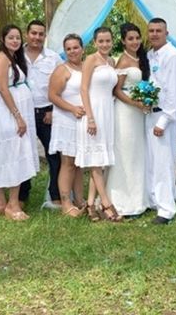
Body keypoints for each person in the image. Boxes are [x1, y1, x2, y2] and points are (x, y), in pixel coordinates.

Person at [0, 25, 39, 221]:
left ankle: (0, 202)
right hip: (7, 113)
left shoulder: (14, 58)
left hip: (15, 110)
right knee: (13, 153)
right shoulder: (1, 58)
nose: (15, 41)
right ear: (3, 39)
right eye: (11, 37)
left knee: (7, 153)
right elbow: (4, 90)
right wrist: (18, 115)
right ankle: (11, 204)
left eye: (17, 38)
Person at [76, 27, 121, 222]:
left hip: (107, 112)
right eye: (101, 41)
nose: (104, 44)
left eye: (108, 41)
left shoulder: (111, 61)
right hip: (93, 111)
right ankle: (106, 204)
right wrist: (91, 118)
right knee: (95, 161)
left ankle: (90, 203)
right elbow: (84, 89)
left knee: (100, 160)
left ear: (112, 41)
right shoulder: (90, 60)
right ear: (95, 43)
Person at [105, 23, 150, 217]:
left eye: (137, 38)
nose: (135, 42)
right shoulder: (123, 61)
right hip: (125, 111)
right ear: (123, 40)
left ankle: (138, 197)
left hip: (139, 113)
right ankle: (120, 199)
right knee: (125, 152)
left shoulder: (142, 59)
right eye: (130, 38)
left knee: (137, 152)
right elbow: (117, 90)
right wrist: (135, 103)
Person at [146, 18, 176, 225]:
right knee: (152, 161)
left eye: (158, 31)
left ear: (166, 33)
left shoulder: (173, 57)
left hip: (165, 117)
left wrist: (163, 122)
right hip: (149, 113)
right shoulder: (151, 55)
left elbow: (175, 95)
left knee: (163, 163)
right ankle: (155, 199)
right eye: (151, 31)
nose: (154, 34)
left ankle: (166, 209)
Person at [21, 20, 64, 208]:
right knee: (23, 155)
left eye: (40, 34)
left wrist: (53, 110)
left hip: (46, 113)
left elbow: (64, 84)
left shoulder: (53, 58)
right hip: (22, 114)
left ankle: (56, 196)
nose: (37, 37)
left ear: (44, 36)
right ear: (26, 34)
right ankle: (22, 196)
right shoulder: (15, 55)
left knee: (54, 156)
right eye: (33, 33)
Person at [48, 34, 87, 217]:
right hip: (67, 120)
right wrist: (72, 109)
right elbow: (53, 95)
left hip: (82, 121)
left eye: (75, 47)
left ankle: (79, 200)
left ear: (82, 48)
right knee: (68, 162)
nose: (72, 51)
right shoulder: (62, 70)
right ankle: (66, 203)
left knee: (79, 163)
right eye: (68, 48)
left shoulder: (87, 68)